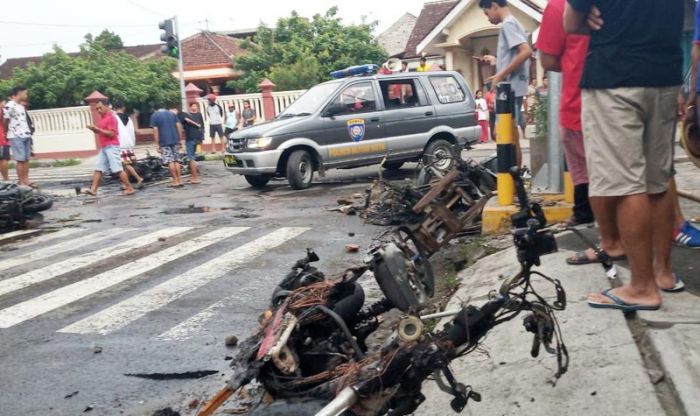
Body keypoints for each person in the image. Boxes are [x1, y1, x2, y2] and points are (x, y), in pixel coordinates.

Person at [564, 0, 685, 310]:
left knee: (626, 184)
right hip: (665, 75)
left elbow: (570, 22)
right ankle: (664, 273)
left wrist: (586, 15)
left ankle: (642, 288)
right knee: (659, 180)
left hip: (615, 75)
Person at [536, 0, 594, 226]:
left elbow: (548, 59)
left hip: (578, 101)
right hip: (622, 96)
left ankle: (602, 231)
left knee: (583, 166)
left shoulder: (558, 6)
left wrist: (573, 62)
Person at [479, 0, 532, 168]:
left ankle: (510, 183)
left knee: (504, 134)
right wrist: (496, 62)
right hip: (514, 88)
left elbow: (525, 51)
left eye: (487, 13)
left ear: (494, 5)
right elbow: (515, 54)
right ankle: (512, 182)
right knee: (509, 134)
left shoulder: (508, 25)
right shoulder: (514, 23)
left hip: (510, 90)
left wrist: (500, 75)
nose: (487, 18)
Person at [84, 99, 135, 196]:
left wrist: (98, 129)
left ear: (107, 107)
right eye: (97, 108)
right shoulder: (102, 119)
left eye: (100, 108)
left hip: (112, 146)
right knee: (98, 168)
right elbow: (100, 132)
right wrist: (94, 129)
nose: (99, 110)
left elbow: (112, 133)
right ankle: (93, 190)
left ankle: (129, 188)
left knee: (118, 169)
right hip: (104, 147)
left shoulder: (111, 118)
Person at [3, 86, 32, 186]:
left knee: (26, 158)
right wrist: (6, 133)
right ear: (19, 93)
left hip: (26, 133)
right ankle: (21, 181)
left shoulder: (21, 106)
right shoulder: (9, 106)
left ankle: (26, 180)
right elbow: (6, 121)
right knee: (20, 159)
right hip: (15, 135)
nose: (26, 95)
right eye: (25, 93)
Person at [150, 103, 184, 187]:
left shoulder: (154, 115)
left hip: (164, 141)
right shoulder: (172, 114)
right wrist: (180, 139)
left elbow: (155, 130)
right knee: (176, 160)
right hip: (175, 140)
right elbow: (179, 126)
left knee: (169, 161)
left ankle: (175, 180)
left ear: (155, 109)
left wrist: (157, 144)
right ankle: (180, 180)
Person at [113, 101, 144, 188]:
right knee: (125, 165)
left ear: (114, 109)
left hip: (120, 144)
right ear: (123, 108)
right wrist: (132, 144)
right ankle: (125, 184)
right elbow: (132, 132)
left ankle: (138, 178)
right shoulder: (129, 119)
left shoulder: (114, 118)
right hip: (129, 143)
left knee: (126, 164)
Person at [178, 102, 203, 184]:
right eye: (193, 105)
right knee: (192, 157)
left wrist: (197, 126)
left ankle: (195, 178)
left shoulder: (182, 114)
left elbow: (188, 121)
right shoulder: (189, 114)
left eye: (195, 105)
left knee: (191, 158)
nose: (194, 107)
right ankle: (193, 176)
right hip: (194, 138)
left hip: (191, 138)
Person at [0, 99, 9, 181]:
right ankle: (6, 179)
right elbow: (5, 122)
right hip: (1, 138)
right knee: (4, 159)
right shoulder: (2, 110)